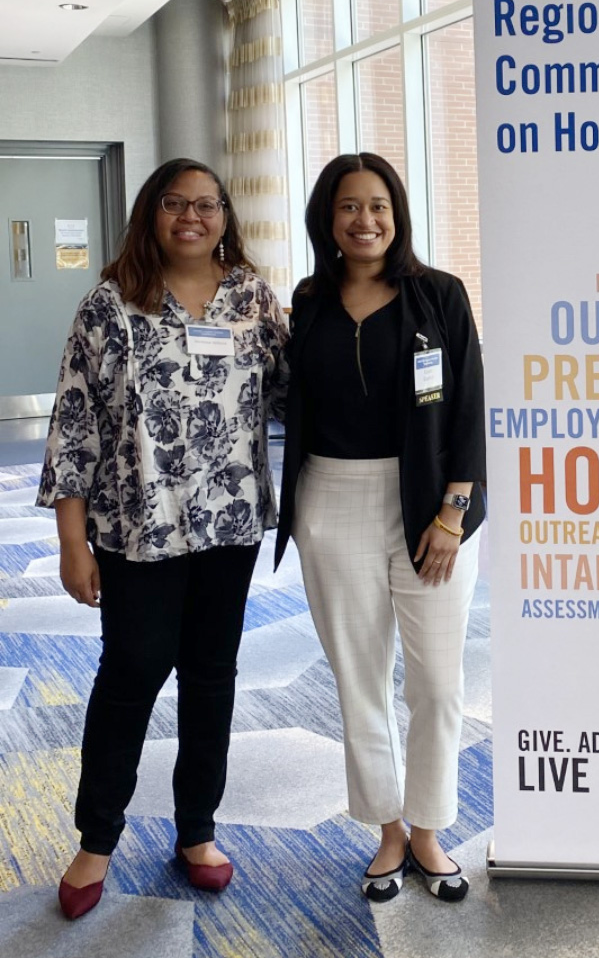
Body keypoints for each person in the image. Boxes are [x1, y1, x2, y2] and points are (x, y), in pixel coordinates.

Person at [38, 158, 289, 919]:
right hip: (134, 528)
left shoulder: (252, 297)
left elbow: (296, 390)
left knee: (212, 677)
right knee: (132, 675)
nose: (191, 216)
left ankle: (197, 830)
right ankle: (97, 838)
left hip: (230, 523)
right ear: (151, 213)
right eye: (175, 203)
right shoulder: (110, 306)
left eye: (206, 205)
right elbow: (75, 427)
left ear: (225, 216)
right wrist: (71, 541)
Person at [276, 153, 485, 904]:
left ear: (397, 214)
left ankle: (428, 827)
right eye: (347, 208)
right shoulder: (308, 300)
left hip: (432, 504)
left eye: (378, 206)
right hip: (331, 500)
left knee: (435, 682)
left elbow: (467, 411)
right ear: (327, 220)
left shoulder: (439, 296)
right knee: (359, 679)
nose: (364, 221)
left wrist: (453, 515)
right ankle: (388, 829)